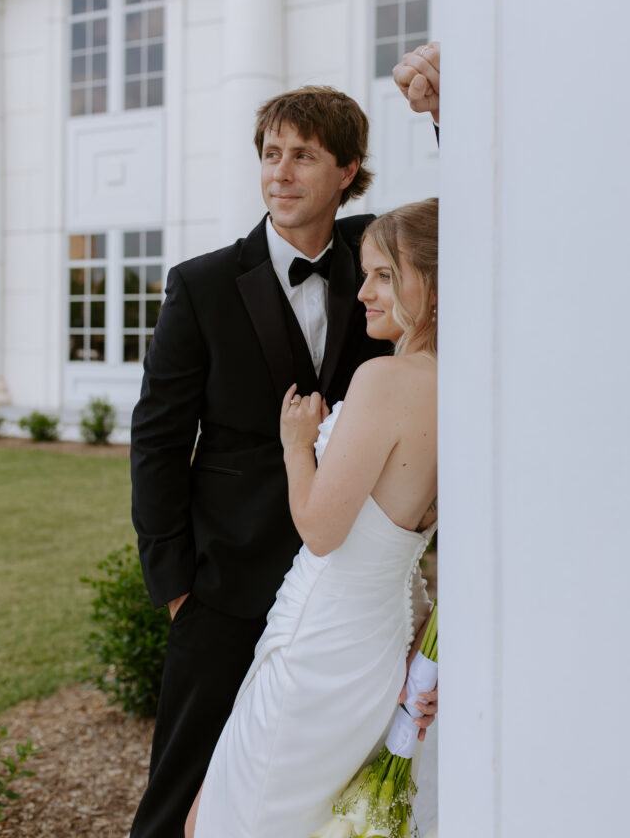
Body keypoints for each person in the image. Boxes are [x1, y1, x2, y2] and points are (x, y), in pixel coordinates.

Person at [129, 85, 437, 838]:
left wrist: (443, 110)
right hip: (223, 585)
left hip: (344, 600)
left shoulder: (384, 262)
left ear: (348, 170)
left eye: (303, 155)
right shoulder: (199, 285)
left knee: (304, 798)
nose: (281, 172)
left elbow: (471, 216)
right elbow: (158, 441)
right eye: (271, 154)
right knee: (182, 798)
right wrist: (177, 587)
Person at [189, 198, 439, 838]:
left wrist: (297, 445)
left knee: (221, 824)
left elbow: (322, 531)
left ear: (434, 282)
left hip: (322, 642)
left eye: (385, 275)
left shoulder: (387, 380)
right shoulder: (466, 387)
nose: (363, 293)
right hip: (384, 644)